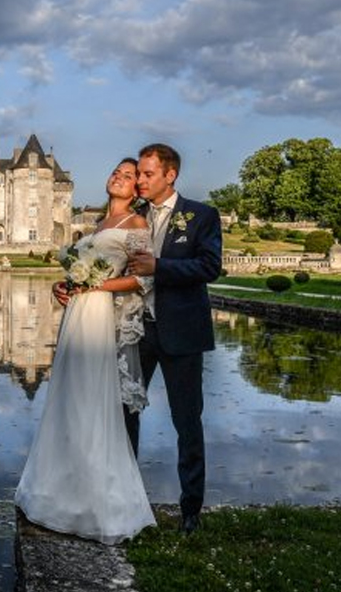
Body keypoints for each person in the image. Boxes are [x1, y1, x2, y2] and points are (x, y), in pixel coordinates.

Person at [14, 159, 156, 543]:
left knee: (92, 401)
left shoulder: (137, 226)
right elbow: (80, 275)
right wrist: (64, 287)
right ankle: (61, 492)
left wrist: (96, 286)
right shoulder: (97, 225)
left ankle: (97, 503)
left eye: (129, 176)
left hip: (97, 316)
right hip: (77, 314)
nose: (119, 178)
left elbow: (143, 277)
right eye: (117, 172)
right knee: (68, 398)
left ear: (137, 190)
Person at [125, 143, 222, 535]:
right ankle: (127, 501)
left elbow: (209, 266)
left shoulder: (201, 215)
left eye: (148, 174)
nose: (140, 181)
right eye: (139, 174)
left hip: (182, 332)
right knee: (125, 416)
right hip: (138, 330)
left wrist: (159, 266)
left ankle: (190, 511)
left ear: (170, 175)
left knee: (187, 421)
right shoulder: (133, 216)